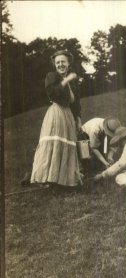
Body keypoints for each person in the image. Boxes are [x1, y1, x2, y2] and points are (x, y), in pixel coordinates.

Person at [29, 49, 83, 187]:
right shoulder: (51, 76)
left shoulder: (73, 81)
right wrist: (66, 80)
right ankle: (46, 178)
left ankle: (63, 179)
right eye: (58, 62)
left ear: (68, 63)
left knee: (66, 144)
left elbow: (76, 102)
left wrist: (78, 118)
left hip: (68, 115)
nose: (60, 65)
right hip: (56, 113)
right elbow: (53, 94)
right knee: (54, 143)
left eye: (63, 62)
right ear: (55, 64)